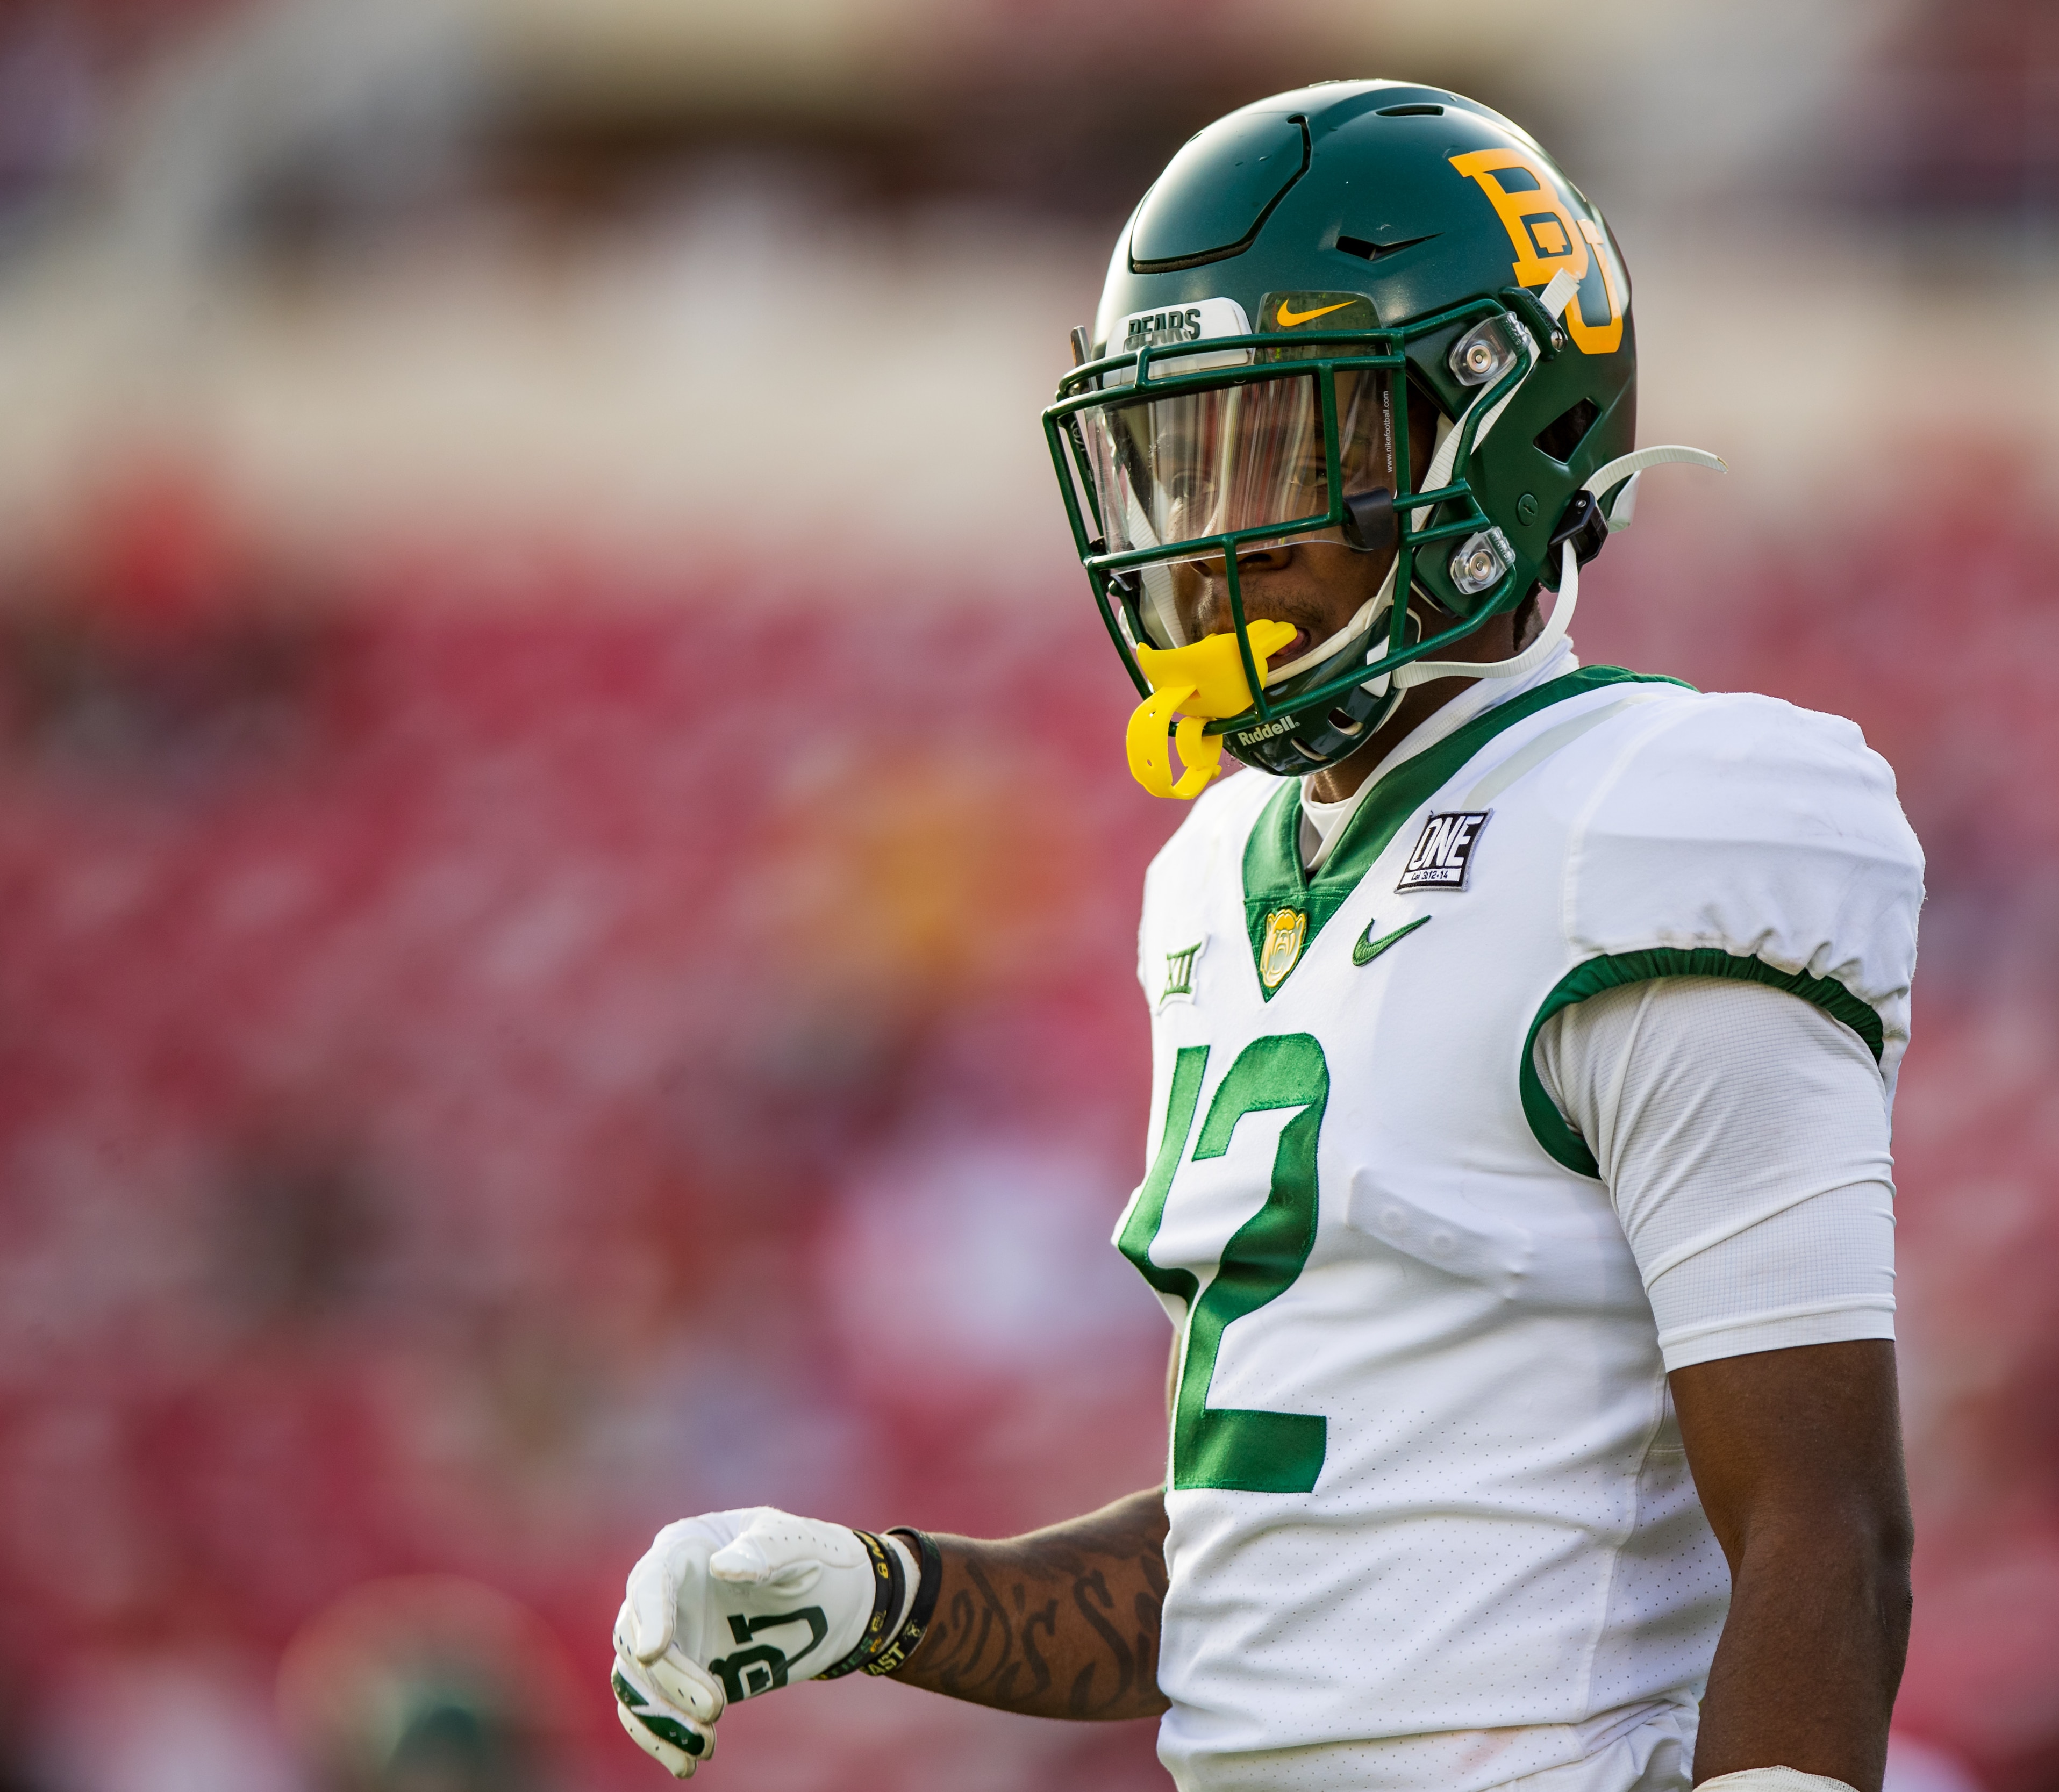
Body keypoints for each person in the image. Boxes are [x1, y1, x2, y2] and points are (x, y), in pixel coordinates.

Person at [610, 80, 1924, 1792]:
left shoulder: (1653, 813)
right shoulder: (1215, 874)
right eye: (1179, 456)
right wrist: (890, 1594)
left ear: (1492, 436)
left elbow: (1825, 1521)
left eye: (1287, 451)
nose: (1208, 539)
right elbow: (1265, 1557)